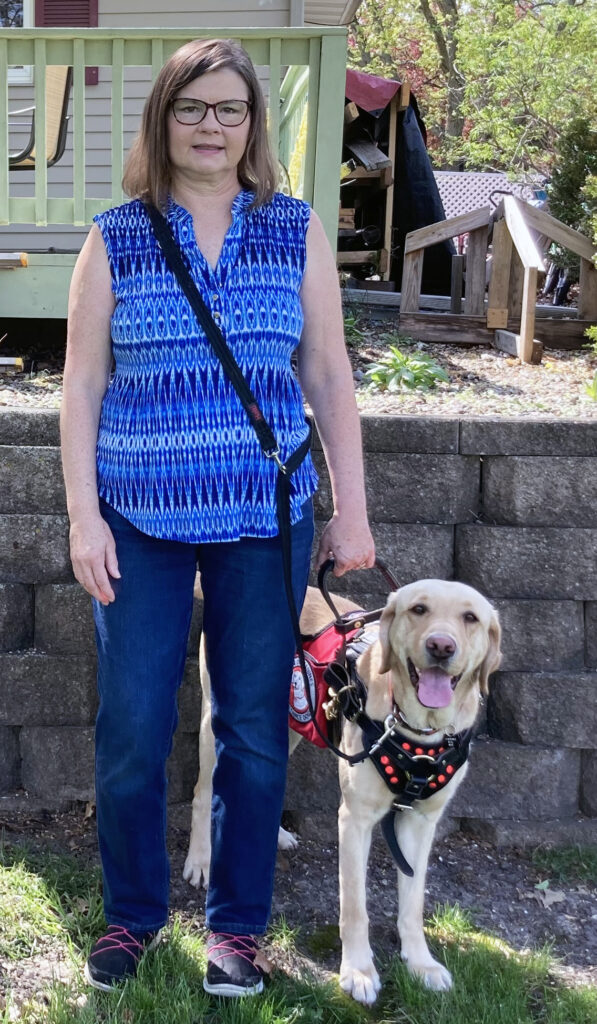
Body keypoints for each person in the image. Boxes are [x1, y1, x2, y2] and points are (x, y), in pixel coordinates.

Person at [61, 37, 375, 999]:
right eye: (191, 108)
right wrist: (84, 520)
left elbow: (326, 374)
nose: (210, 125)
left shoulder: (294, 229)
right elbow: (80, 386)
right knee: (133, 728)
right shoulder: (116, 233)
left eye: (228, 109)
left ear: (252, 124)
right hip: (141, 516)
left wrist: (350, 509)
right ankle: (134, 917)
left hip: (264, 515)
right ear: (164, 120)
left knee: (249, 726)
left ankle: (236, 931)